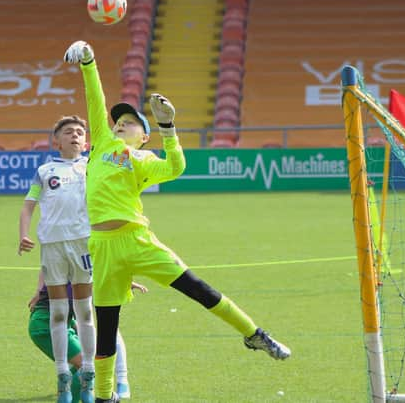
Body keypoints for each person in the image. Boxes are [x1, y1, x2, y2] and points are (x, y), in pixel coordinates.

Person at [64, 41, 291, 403]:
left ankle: (254, 333)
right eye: (118, 121)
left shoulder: (144, 158)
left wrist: (169, 127)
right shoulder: (103, 144)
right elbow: (94, 97)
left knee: (197, 288)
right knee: (106, 333)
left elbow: (176, 167)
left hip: (137, 241)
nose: (121, 125)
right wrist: (89, 63)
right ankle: (105, 397)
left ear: (144, 136)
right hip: (103, 248)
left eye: (130, 124)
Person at [19, 116, 96, 403]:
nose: (75, 135)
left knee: (85, 310)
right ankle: (62, 374)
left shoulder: (92, 167)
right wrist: (24, 235)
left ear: (86, 142)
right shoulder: (44, 171)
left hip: (82, 242)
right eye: (68, 132)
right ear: (57, 140)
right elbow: (28, 206)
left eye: (80, 132)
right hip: (51, 244)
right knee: (59, 312)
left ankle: (87, 373)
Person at [28, 270, 147, 401]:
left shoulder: (72, 267)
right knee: (87, 366)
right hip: (46, 326)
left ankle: (66, 391)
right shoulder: (78, 269)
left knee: (86, 364)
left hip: (57, 323)